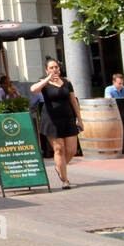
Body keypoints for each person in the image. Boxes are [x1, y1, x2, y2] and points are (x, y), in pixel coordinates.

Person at [31, 56, 82, 189]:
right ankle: (65, 180)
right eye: (51, 68)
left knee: (71, 150)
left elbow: (73, 101)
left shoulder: (66, 81)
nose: (54, 70)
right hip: (51, 120)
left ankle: (59, 166)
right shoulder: (43, 83)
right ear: (47, 70)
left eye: (56, 67)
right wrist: (48, 79)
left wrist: (80, 119)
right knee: (59, 150)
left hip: (68, 119)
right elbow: (33, 90)